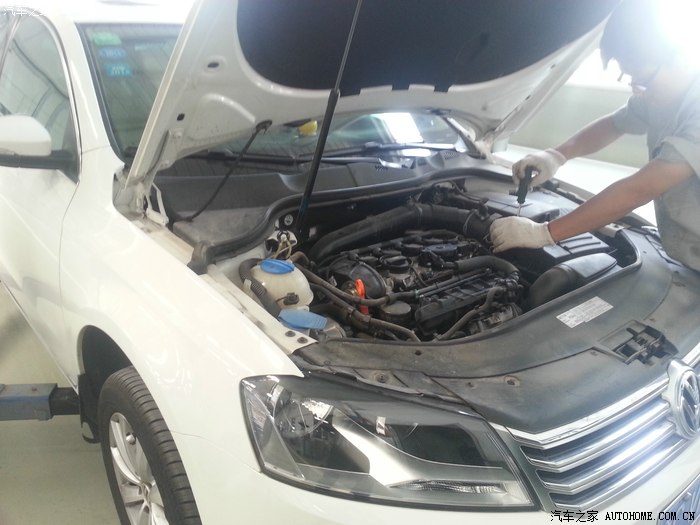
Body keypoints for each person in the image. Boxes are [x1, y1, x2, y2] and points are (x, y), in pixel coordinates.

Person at [489, 0, 700, 272]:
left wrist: (545, 233)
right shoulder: (661, 95)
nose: (637, 91)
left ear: (682, 57)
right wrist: (556, 155)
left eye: (643, 81)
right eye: (630, 79)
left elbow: (639, 189)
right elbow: (614, 124)